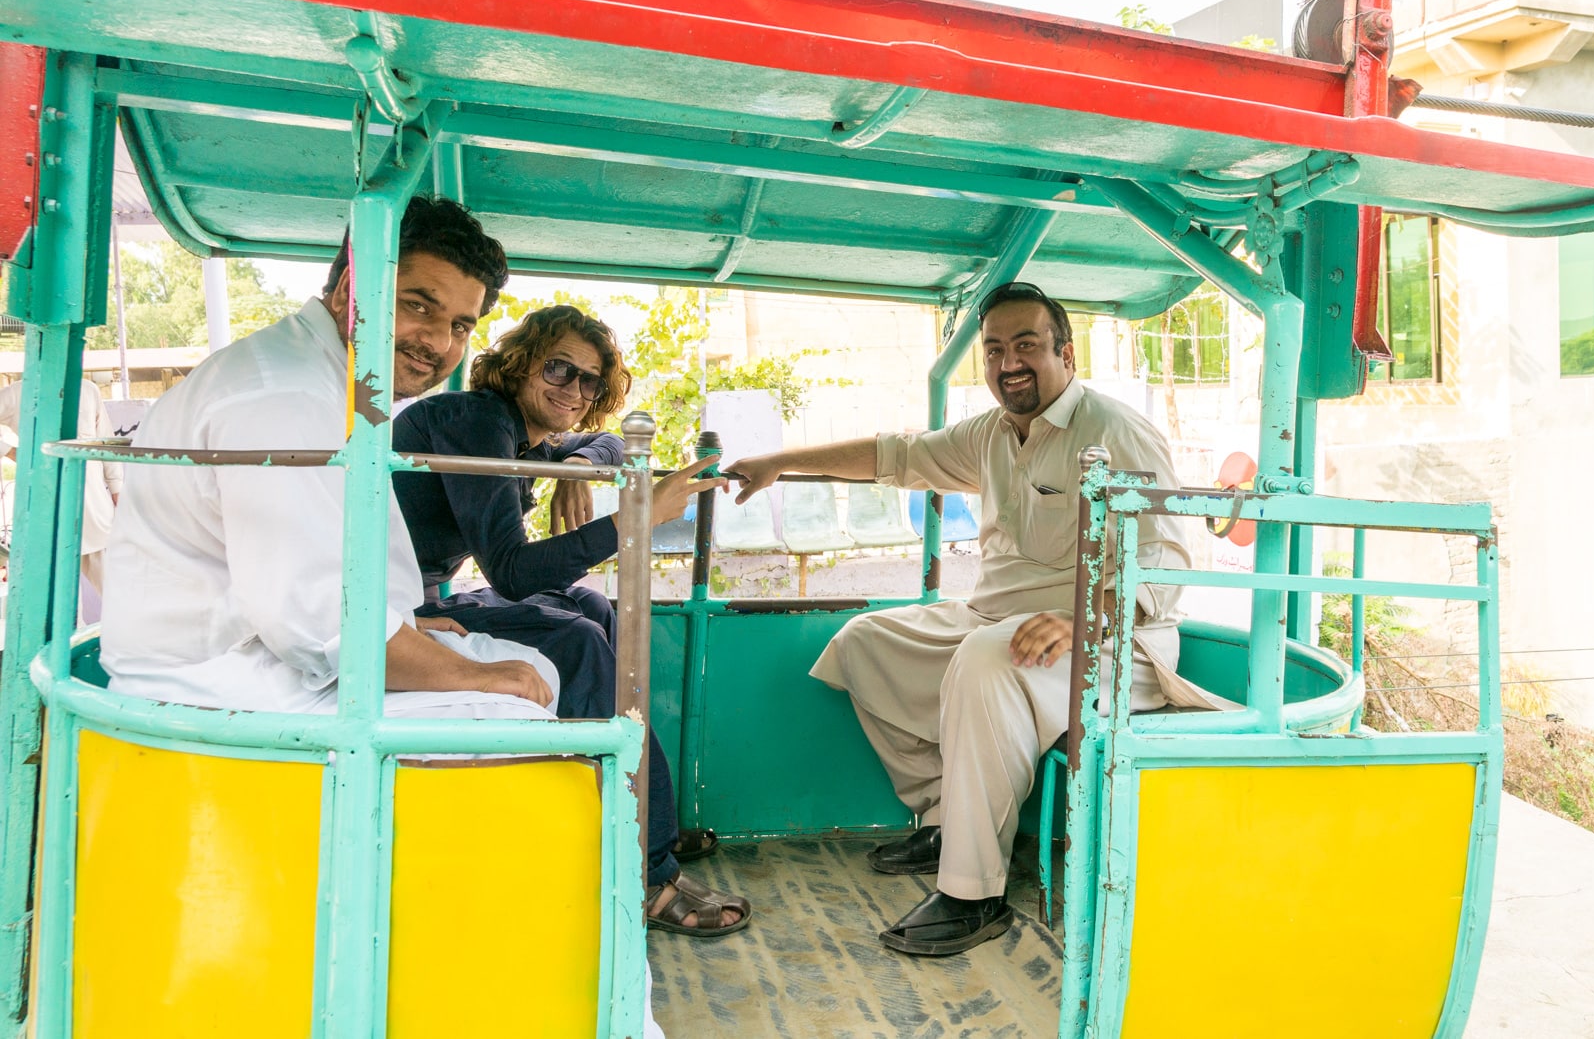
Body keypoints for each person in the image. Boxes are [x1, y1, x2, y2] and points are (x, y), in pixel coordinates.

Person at [727, 281, 1229, 957]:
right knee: (865, 643)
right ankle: (945, 816)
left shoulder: (1114, 429)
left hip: (1107, 641)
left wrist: (1084, 618)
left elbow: (1166, 562)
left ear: (1067, 354)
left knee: (987, 658)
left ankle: (972, 893)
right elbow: (895, 456)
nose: (1007, 362)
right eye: (994, 349)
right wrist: (780, 461)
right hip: (997, 620)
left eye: (1026, 345)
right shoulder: (991, 433)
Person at [102, 196, 559, 722]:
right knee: (513, 708)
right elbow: (316, 620)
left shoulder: (336, 381)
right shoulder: (284, 396)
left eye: (460, 325)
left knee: (532, 668)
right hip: (213, 683)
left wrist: (403, 627)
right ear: (350, 292)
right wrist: (472, 677)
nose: (438, 340)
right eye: (418, 305)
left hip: (266, 651)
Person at [392, 304, 750, 938]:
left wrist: (577, 468)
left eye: (590, 381)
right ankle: (649, 871)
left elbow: (605, 440)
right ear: (520, 364)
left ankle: (638, 815)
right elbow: (509, 570)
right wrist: (634, 516)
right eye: (559, 369)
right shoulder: (477, 421)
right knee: (578, 639)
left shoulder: (523, 433)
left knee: (589, 604)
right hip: (397, 606)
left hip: (423, 598)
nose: (574, 390)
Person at [0, 377, 123, 618]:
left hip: (95, 510)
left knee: (119, 595)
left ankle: (131, 650)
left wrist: (119, 494)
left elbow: (107, 445)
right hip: (48, 513)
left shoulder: (88, 390)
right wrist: (13, 452)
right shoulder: (19, 392)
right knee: (65, 610)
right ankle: (70, 653)